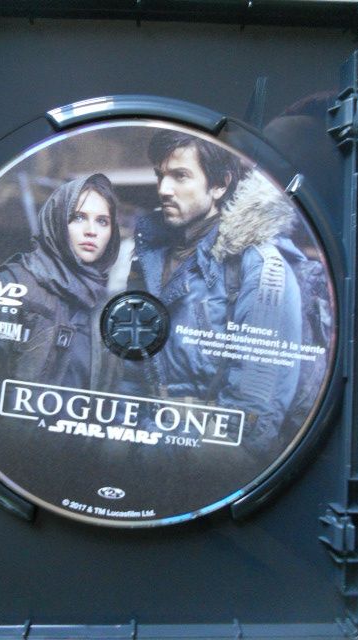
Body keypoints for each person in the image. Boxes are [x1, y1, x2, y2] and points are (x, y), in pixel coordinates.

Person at [125, 129, 304, 454]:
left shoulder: (260, 267)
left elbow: (253, 414)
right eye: (160, 175)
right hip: (140, 451)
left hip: (202, 462)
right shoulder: (148, 257)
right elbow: (130, 370)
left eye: (180, 176)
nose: (163, 189)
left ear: (220, 184)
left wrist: (189, 465)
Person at [0, 173, 120, 400]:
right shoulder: (9, 285)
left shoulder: (105, 306)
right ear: (56, 220)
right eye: (78, 217)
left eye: (102, 221)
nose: (91, 231)